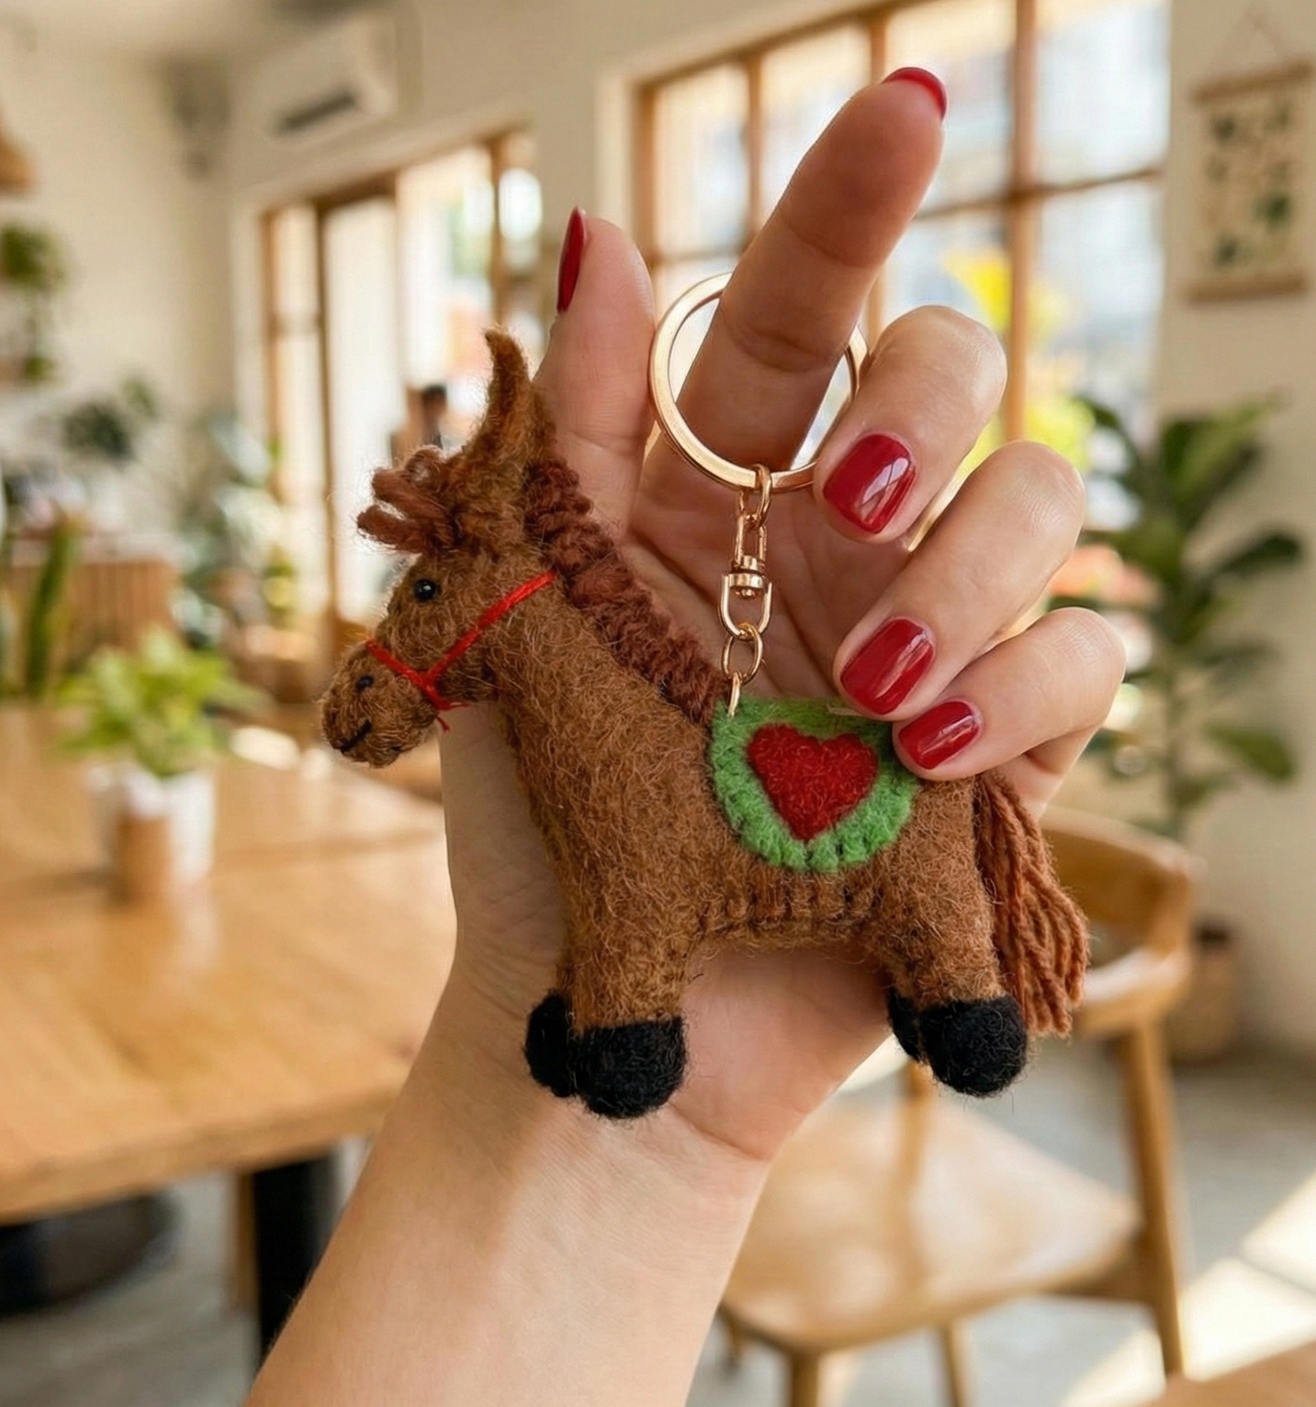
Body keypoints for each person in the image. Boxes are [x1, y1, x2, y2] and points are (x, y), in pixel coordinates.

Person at [248, 69, 1124, 1407]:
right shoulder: (558, 720)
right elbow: (612, 885)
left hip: (826, 808)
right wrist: (532, 1043)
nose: (410, 625)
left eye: (424, 597)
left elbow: (635, 893)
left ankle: (949, 983)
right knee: (628, 905)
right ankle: (630, 1022)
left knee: (748, 897)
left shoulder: (620, 672)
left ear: (485, 592)